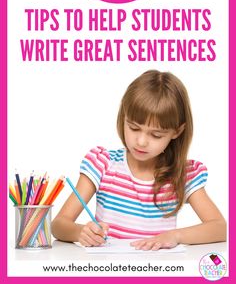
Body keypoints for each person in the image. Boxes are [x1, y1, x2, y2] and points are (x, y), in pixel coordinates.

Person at [52, 70, 226, 250]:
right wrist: (80, 232)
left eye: (156, 135)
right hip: (109, 270)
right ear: (124, 117)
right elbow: (58, 225)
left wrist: (176, 235)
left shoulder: (183, 174)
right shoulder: (103, 164)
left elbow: (220, 228)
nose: (141, 141)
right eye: (134, 128)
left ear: (177, 132)